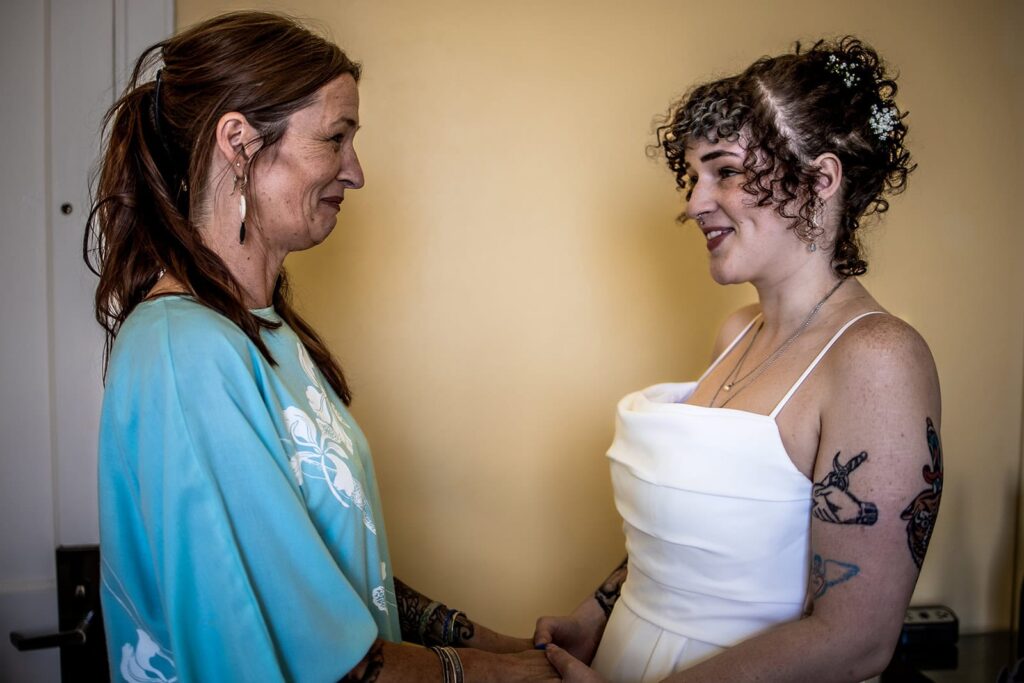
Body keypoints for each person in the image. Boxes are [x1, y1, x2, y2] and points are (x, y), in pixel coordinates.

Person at [86, 12, 555, 683]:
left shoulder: (264, 329)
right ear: (239, 143)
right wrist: (500, 674)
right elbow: (328, 665)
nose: (356, 171)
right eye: (335, 139)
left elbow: (327, 572)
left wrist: (498, 641)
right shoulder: (183, 353)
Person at [533, 37, 943, 682]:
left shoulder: (877, 357)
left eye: (723, 171)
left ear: (819, 180)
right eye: (694, 176)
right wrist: (596, 614)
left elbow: (857, 638)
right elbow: (700, 528)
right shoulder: (736, 333)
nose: (694, 202)